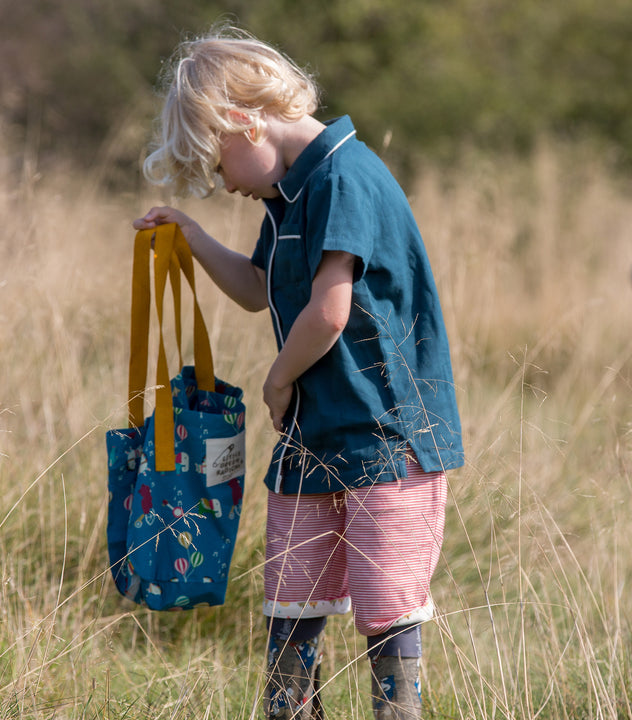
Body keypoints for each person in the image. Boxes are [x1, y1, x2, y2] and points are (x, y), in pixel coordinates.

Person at [133, 27, 464, 720]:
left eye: (217, 163)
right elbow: (258, 287)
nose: (223, 183)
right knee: (292, 599)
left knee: (385, 610)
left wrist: (277, 380)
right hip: (312, 441)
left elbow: (330, 311)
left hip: (385, 439)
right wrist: (192, 237)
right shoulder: (289, 194)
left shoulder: (344, 177)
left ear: (243, 120)